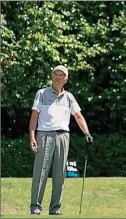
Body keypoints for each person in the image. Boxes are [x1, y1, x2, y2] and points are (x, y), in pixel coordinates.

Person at [29, 65, 94, 215]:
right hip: (44, 135)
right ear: (52, 76)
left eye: (61, 75)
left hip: (63, 136)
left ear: (66, 79)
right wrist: (32, 136)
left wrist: (87, 133)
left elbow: (78, 116)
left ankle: (55, 208)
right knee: (41, 172)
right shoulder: (42, 93)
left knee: (60, 174)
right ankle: (35, 207)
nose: (58, 77)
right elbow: (34, 116)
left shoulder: (69, 97)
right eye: (56, 74)